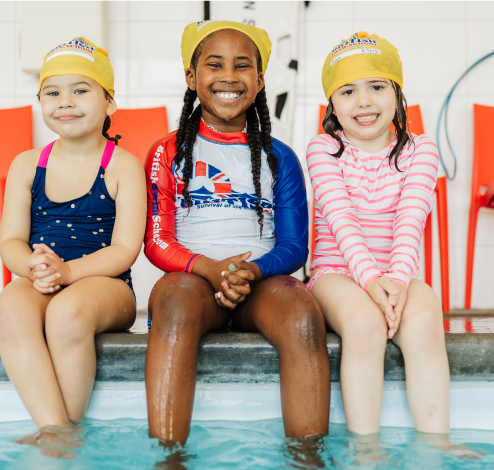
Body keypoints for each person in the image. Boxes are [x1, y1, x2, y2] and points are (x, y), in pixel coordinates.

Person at [143, 20, 330, 445]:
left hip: (261, 282)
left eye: (243, 66)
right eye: (214, 65)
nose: (229, 76)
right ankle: (169, 456)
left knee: (303, 314)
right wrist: (210, 269)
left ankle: (308, 457)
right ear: (192, 77)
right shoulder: (166, 152)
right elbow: (155, 241)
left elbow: (294, 246)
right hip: (191, 280)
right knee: (172, 304)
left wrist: (250, 272)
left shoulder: (280, 157)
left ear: (260, 80)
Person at [0, 37, 146, 456]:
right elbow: (10, 241)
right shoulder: (27, 164)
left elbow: (125, 249)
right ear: (40, 101)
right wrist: (33, 267)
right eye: (53, 92)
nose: (66, 102)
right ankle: (57, 430)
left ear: (109, 103)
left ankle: (66, 425)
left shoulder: (122, 166)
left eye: (81, 90)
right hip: (45, 274)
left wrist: (70, 273)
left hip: (104, 283)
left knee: (67, 311)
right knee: (9, 306)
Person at [306, 32, 449, 436]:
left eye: (377, 87)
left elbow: (410, 221)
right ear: (332, 104)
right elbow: (340, 220)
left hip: (396, 273)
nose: (364, 101)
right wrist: (370, 280)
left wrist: (398, 283)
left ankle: (434, 444)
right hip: (336, 272)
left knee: (424, 318)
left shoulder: (422, 150)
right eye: (347, 91)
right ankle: (366, 450)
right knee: (366, 325)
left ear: (398, 95)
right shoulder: (323, 148)